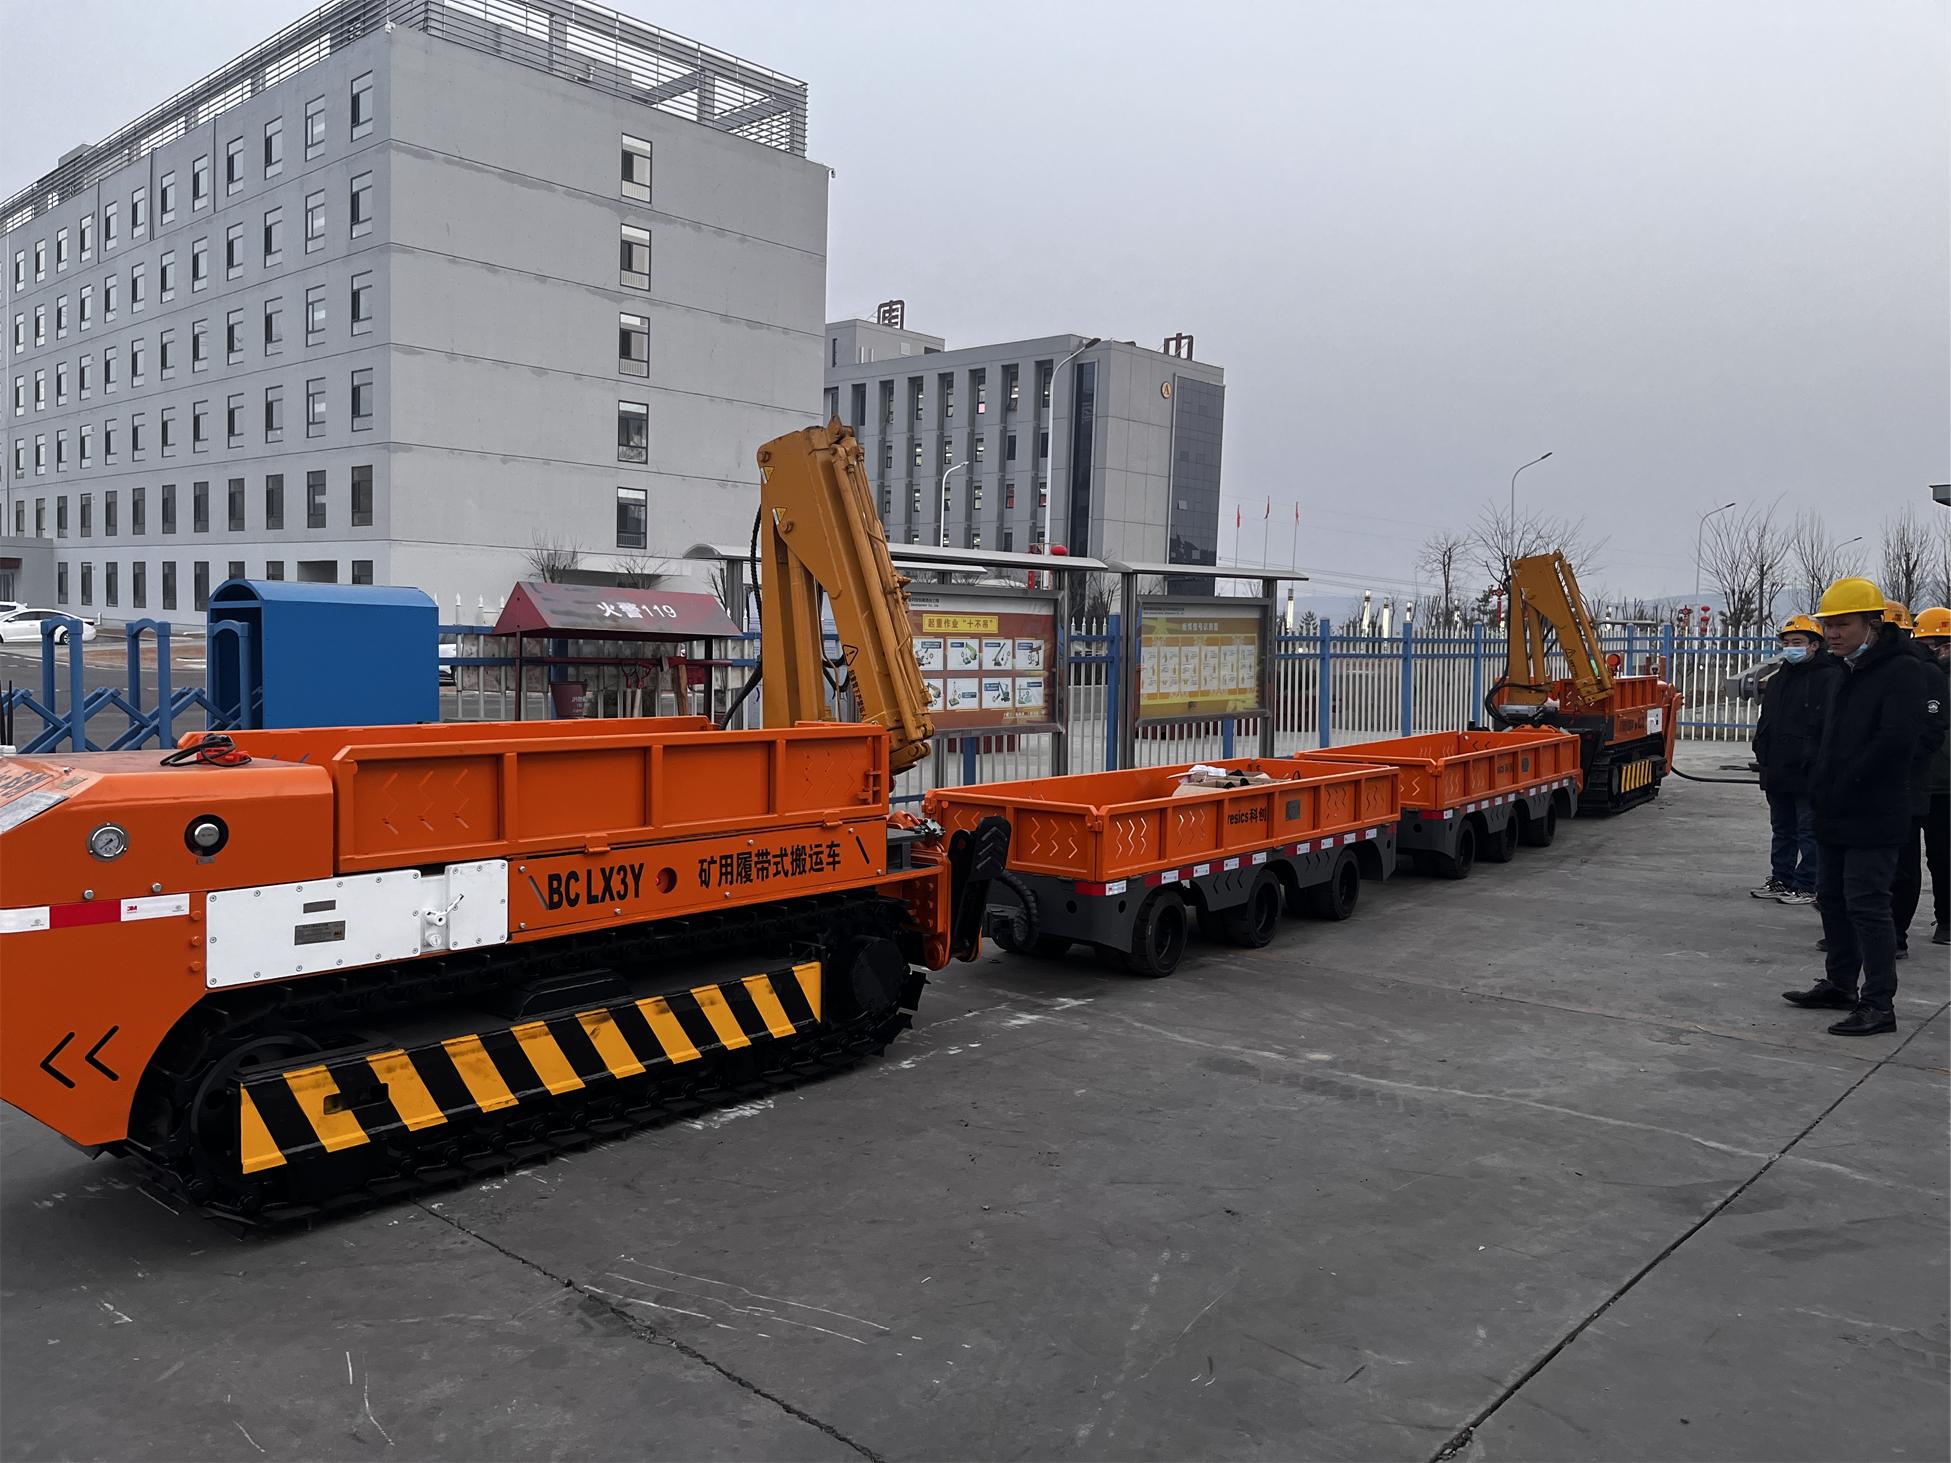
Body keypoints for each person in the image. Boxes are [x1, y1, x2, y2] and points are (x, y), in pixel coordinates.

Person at [1782, 577, 1925, 1036]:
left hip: (1874, 809)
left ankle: (1879, 1003)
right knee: (1834, 899)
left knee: (1867, 904)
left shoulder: (1903, 671)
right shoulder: (1846, 669)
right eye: (1829, 625)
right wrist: (1819, 779)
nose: (1834, 634)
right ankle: (1840, 983)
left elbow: (1895, 741)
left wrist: (1847, 782)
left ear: (1872, 623)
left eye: (1843, 625)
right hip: (1834, 807)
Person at [1749, 614, 1838, 904]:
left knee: (1808, 829)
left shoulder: (1829, 677)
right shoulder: (1779, 679)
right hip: (1777, 767)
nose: (1791, 648)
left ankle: (1807, 883)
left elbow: (1828, 724)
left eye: (1797, 642)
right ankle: (1781, 878)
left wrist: (1814, 758)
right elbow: (1768, 720)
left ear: (1814, 645)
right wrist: (1761, 751)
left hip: (1807, 770)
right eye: (1787, 643)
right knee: (1782, 828)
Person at [1893, 605, 1950, 947]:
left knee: (1944, 859)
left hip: (1947, 788)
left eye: (1945, 643)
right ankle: (1895, 931)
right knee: (1903, 862)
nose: (1938, 650)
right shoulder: (1914, 676)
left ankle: (1947, 922)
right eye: (1931, 643)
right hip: (1914, 781)